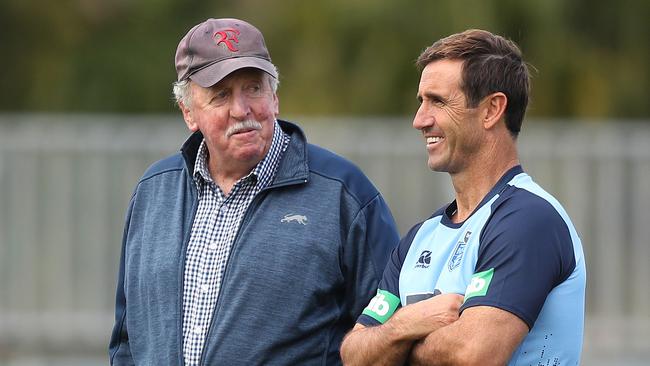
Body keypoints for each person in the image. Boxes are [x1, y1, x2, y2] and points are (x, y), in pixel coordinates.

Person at [108, 18, 400, 366]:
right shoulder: (153, 192)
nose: (241, 110)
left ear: (274, 97)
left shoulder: (344, 194)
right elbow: (126, 343)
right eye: (221, 95)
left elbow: (390, 336)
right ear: (188, 112)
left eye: (253, 88)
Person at [340, 29, 586, 366]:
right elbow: (355, 356)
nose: (419, 120)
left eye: (438, 101)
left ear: (491, 110)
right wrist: (411, 322)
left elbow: (473, 355)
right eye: (421, 102)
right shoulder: (419, 238)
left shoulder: (529, 220)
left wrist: (395, 345)